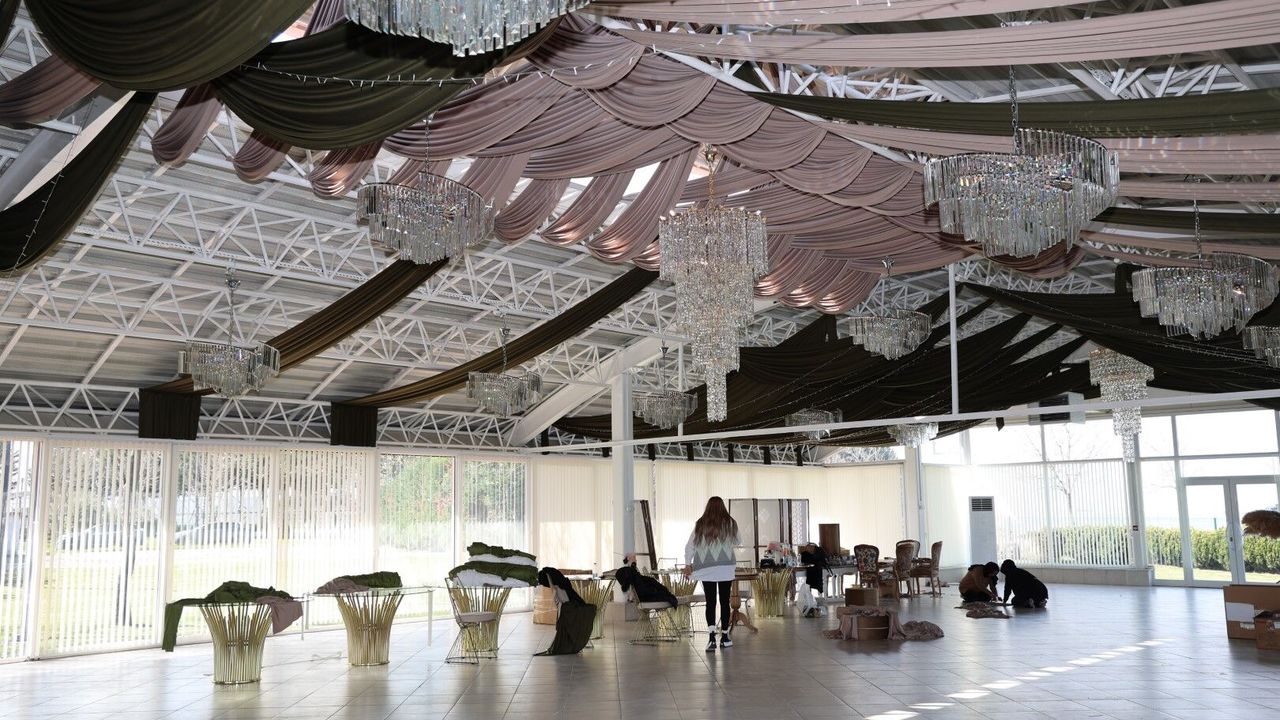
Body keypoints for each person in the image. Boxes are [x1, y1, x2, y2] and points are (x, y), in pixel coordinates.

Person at [682, 496, 740, 652]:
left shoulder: (700, 524)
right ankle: (725, 637)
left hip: (706, 568)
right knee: (725, 601)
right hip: (726, 567)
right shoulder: (730, 523)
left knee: (711, 602)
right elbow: (738, 541)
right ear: (723, 507)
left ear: (707, 507)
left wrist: (687, 564)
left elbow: (690, 546)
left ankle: (711, 638)